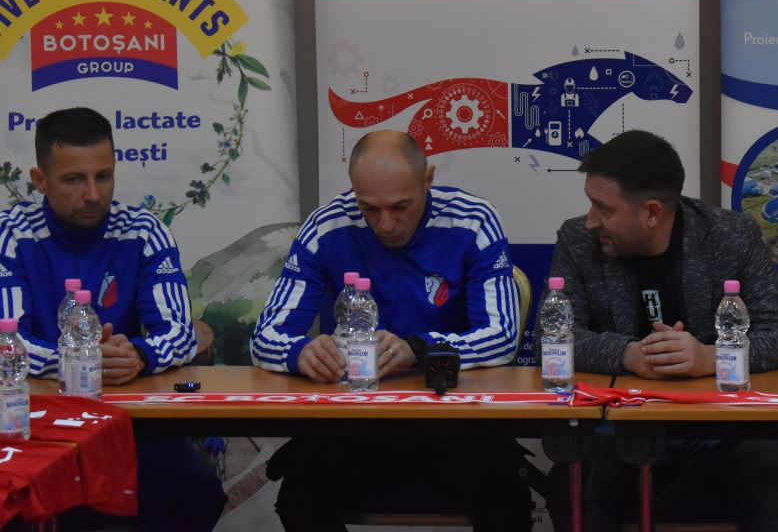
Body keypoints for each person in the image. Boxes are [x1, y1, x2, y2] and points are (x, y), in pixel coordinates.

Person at [252, 129, 531, 532]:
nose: (386, 224)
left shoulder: (474, 220)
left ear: (428, 179)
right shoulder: (326, 226)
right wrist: (300, 353)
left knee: (506, 499)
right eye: (369, 208)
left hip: (452, 418)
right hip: (358, 422)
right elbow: (265, 336)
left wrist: (419, 349)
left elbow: (502, 336)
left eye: (401, 206)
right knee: (301, 496)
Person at [541, 129, 778, 531]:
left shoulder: (731, 235)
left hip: (723, 429)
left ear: (652, 213)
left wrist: (710, 357)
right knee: (572, 486)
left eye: (603, 208)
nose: (591, 220)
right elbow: (554, 339)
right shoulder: (578, 240)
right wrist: (628, 354)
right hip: (618, 426)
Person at [0, 106, 226, 531]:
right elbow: (6, 341)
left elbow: (180, 332)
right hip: (30, 424)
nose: (93, 194)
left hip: (128, 423)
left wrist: (137, 356)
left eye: (103, 176)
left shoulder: (143, 231)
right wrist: (80, 362)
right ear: (40, 180)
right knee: (14, 508)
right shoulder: (10, 233)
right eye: (74, 179)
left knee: (197, 492)